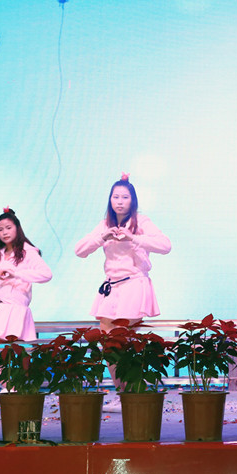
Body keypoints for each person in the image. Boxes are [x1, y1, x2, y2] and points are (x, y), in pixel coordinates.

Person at [75, 173, 171, 408]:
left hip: (134, 284)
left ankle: (133, 392)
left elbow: (165, 245)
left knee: (121, 338)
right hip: (111, 287)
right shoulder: (105, 224)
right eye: (115, 197)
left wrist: (134, 238)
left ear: (133, 200)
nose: (119, 201)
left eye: (125, 197)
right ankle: (125, 392)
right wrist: (102, 237)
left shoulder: (141, 221)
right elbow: (80, 250)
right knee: (108, 342)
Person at [0, 207, 52, 388]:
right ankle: (12, 387)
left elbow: (46, 274)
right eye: (0, 229)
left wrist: (16, 273)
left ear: (17, 228)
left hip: (11, 308)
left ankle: (12, 387)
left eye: (8, 228)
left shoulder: (28, 251)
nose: (4, 232)